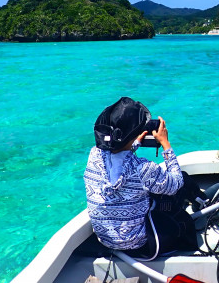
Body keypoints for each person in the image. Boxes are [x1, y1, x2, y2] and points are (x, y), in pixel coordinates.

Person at [84, 97, 205, 259]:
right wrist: (165, 144)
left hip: (105, 240)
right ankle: (202, 202)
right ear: (133, 135)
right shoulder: (143, 169)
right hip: (139, 244)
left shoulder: (94, 156)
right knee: (182, 180)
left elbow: (117, 161)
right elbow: (176, 183)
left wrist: (133, 143)